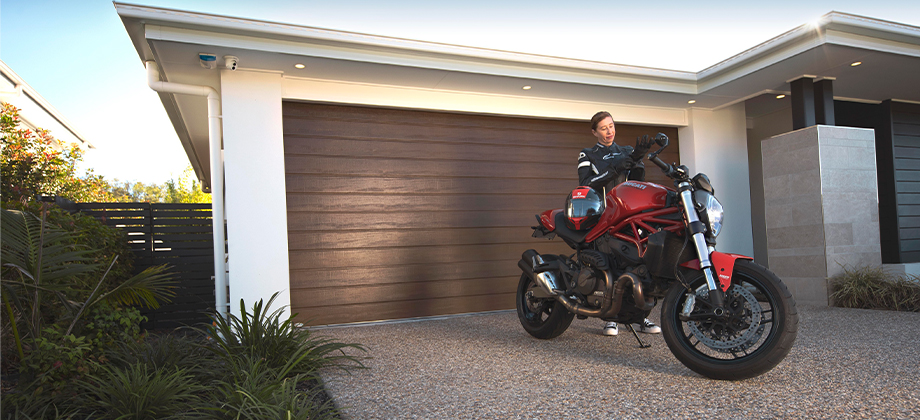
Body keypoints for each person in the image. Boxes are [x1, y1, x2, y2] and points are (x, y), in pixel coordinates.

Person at [578, 111, 661, 337]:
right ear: (594, 132)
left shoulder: (626, 151)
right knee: (610, 267)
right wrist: (613, 169)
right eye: (603, 128)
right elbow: (585, 184)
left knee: (639, 265)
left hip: (630, 217)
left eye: (611, 126)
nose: (609, 131)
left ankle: (641, 317)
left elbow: (637, 184)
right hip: (603, 218)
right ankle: (610, 319)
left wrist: (638, 159)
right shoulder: (588, 154)